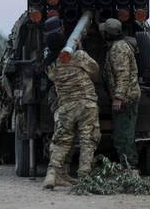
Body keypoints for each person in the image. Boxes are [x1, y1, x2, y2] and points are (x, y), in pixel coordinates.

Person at [43, 27, 101, 190]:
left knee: (61, 141)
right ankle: (84, 177)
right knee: (87, 140)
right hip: (86, 104)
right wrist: (81, 49)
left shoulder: (50, 66)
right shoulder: (79, 56)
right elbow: (96, 71)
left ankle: (52, 174)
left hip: (66, 107)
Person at [99, 18, 141, 168]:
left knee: (123, 136)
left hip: (126, 99)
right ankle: (127, 165)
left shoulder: (118, 49)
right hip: (127, 97)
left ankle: (131, 167)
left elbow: (122, 75)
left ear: (108, 34)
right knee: (121, 134)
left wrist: (118, 98)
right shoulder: (118, 46)